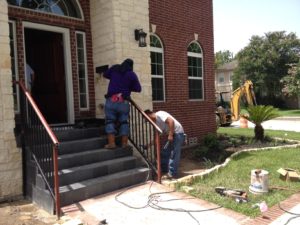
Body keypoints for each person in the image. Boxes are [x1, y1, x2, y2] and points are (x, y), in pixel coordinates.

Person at [103, 58, 142, 149]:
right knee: (124, 122)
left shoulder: (115, 68)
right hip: (123, 102)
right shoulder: (131, 74)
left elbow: (105, 74)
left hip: (111, 100)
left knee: (110, 121)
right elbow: (138, 89)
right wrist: (128, 87)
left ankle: (111, 143)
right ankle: (124, 144)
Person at [144, 109, 185, 179]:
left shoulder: (160, 114)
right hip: (172, 135)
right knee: (164, 153)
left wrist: (170, 135)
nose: (147, 121)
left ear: (149, 114)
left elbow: (171, 121)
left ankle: (172, 174)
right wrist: (149, 145)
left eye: (146, 119)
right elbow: (157, 137)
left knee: (173, 154)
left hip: (178, 133)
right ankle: (165, 171)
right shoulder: (156, 123)